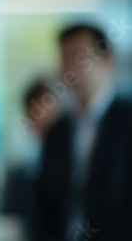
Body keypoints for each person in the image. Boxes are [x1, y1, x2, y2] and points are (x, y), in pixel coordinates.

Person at [32, 24, 132, 241]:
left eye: (79, 56)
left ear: (107, 60)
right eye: (64, 57)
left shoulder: (126, 123)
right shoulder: (57, 131)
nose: (70, 66)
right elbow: (44, 203)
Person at [1, 79, 60, 239]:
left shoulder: (73, 164)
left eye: (47, 107)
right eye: (35, 111)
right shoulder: (21, 172)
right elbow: (9, 217)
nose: (42, 116)